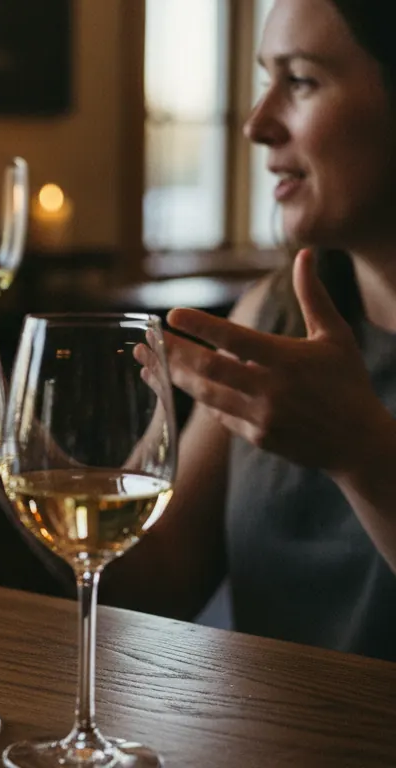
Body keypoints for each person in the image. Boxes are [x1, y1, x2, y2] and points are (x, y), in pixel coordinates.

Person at [101, 0, 396, 661]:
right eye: (266, 78)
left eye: (301, 80)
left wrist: (364, 455)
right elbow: (157, 579)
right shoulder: (275, 312)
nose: (257, 125)